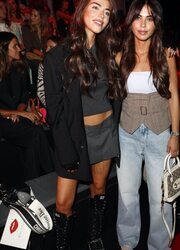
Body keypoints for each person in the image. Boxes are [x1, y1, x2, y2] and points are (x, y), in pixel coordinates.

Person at [43, 0, 123, 249]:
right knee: (64, 204)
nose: (102, 15)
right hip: (75, 136)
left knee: (99, 189)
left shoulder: (109, 50)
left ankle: (94, 236)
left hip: (105, 132)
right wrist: (65, 150)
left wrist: (170, 49)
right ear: (81, 10)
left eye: (107, 11)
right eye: (96, 7)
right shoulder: (57, 56)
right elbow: (54, 112)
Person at [115, 0, 180, 249]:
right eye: (138, 17)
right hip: (127, 134)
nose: (143, 24)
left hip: (159, 134)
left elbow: (173, 95)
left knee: (161, 198)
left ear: (156, 23)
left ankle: (160, 245)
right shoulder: (120, 53)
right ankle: (127, 244)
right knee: (127, 195)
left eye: (149, 18)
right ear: (130, 20)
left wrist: (175, 134)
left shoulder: (166, 54)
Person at [0, 31, 54, 181]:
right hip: (1, 120)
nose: (20, 48)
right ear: (3, 50)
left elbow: (23, 99)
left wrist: (18, 112)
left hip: (15, 117)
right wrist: (17, 114)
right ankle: (52, 172)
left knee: (34, 138)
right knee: (36, 133)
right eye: (15, 46)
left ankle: (32, 181)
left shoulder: (19, 69)